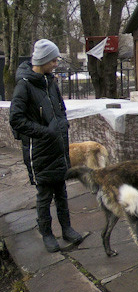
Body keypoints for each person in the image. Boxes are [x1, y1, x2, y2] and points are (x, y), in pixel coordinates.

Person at [9, 39, 86, 253]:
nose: (55, 63)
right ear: (42, 60)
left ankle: (67, 229)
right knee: (44, 196)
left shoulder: (49, 81)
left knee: (61, 191)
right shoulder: (24, 85)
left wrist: (63, 124)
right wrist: (45, 132)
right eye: (53, 60)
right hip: (40, 151)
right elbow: (16, 120)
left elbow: (60, 108)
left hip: (58, 148)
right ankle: (47, 234)